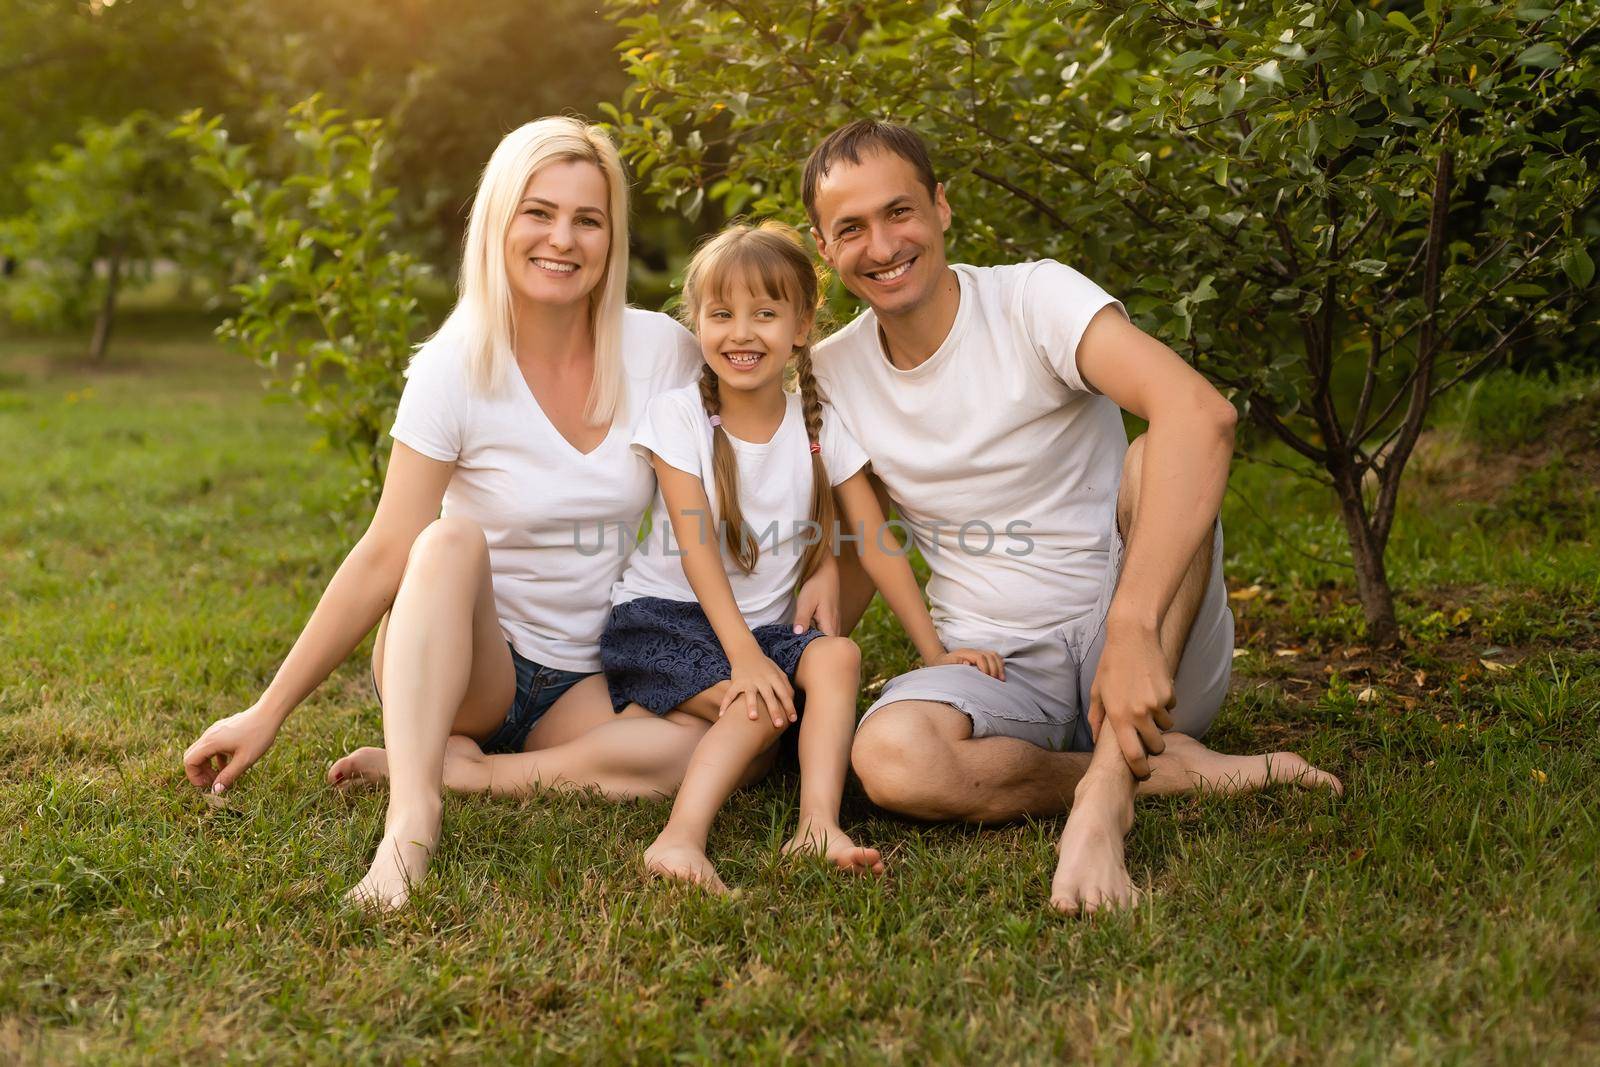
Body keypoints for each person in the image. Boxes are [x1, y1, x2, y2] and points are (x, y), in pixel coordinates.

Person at [180, 118, 833, 912]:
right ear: (499, 218)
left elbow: (783, 383)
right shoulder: (453, 366)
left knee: (720, 744)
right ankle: (411, 820)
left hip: (582, 676)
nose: (563, 238)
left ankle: (466, 771)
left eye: (587, 219)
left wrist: (828, 555)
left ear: (611, 236)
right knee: (446, 538)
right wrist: (268, 709)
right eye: (539, 211)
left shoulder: (662, 351)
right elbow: (386, 550)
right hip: (468, 665)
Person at [802, 120, 1342, 914]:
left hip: (1141, 639)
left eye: (899, 212)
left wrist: (1130, 629)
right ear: (824, 248)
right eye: (851, 228)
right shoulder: (834, 372)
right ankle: (1174, 772)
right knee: (889, 760)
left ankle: (1108, 801)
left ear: (942, 208)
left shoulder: (1034, 298)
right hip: (996, 668)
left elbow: (1203, 413)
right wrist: (788, 663)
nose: (882, 245)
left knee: (1161, 452)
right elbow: (858, 540)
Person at [429, 222, 1003, 893]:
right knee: (756, 703)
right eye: (721, 314)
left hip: (757, 630)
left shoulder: (821, 427)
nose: (741, 333)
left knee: (838, 656)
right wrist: (745, 658)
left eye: (765, 314)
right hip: (662, 620)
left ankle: (817, 826)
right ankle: (679, 838)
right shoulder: (680, 419)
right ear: (695, 323)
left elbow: (876, 544)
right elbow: (698, 546)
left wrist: (935, 652)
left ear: (801, 326)